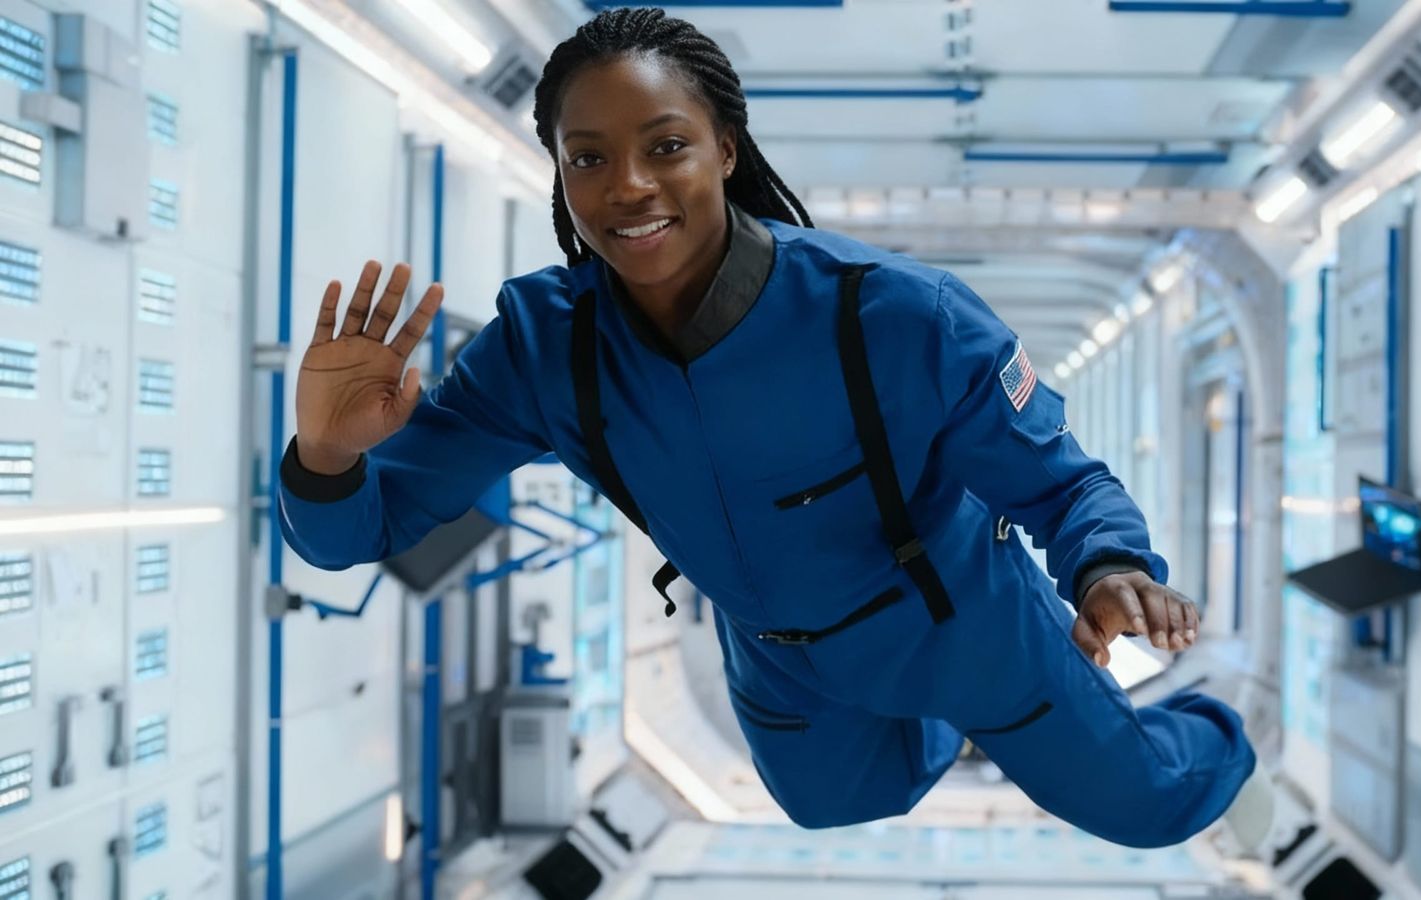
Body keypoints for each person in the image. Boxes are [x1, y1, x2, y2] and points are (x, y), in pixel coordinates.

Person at [279, 6, 1262, 848]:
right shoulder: (546, 347)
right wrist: (325, 454)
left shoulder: (897, 316)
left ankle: (1227, 710)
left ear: (725, 149)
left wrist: (1106, 570)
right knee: (838, 804)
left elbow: (1056, 482)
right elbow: (358, 533)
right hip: (778, 648)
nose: (626, 186)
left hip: (960, 621)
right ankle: (944, 731)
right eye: (589, 158)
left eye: (665, 145)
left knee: (1153, 805)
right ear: (562, 172)